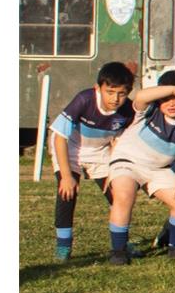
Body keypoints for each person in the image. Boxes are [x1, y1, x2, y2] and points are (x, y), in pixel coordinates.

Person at [104, 70, 175, 265]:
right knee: (124, 195)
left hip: (158, 168)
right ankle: (118, 250)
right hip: (128, 161)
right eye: (166, 98)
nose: (171, 103)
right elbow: (141, 96)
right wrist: (174, 89)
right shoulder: (150, 109)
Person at [48, 61, 136, 261]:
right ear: (99, 88)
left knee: (120, 196)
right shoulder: (84, 100)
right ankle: (63, 246)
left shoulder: (128, 111)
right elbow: (60, 137)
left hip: (100, 153)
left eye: (121, 93)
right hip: (70, 149)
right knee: (67, 194)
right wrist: (67, 176)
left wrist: (117, 168)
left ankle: (121, 242)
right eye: (110, 92)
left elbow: (120, 141)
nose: (115, 99)